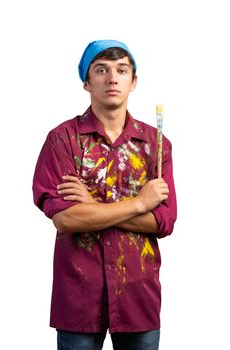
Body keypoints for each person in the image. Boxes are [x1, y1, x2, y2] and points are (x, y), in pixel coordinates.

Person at [33, 39, 177, 350]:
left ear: (133, 81)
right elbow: (67, 219)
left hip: (138, 297)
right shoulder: (63, 141)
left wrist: (93, 206)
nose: (112, 78)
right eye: (101, 70)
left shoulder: (156, 144)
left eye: (121, 70)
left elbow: (163, 222)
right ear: (86, 82)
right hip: (80, 296)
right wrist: (139, 203)